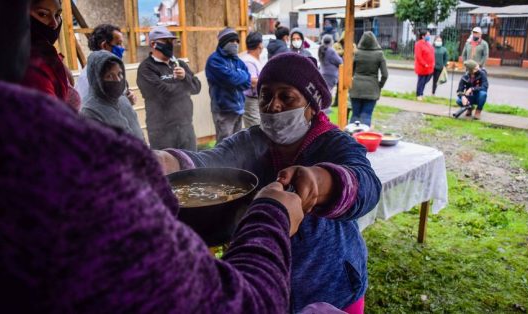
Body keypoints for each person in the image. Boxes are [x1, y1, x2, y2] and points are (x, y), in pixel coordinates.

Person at [0, 3, 316, 312]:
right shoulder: (67, 168)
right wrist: (270, 215)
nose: (274, 107)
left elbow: (192, 88)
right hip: (165, 129)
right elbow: (245, 304)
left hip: (180, 130)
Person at [156, 52, 382, 313]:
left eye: (287, 97)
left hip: (333, 286)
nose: (273, 106)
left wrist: (321, 182)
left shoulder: (334, 142)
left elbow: (366, 186)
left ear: (310, 105)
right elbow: (213, 162)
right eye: (265, 96)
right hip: (263, 284)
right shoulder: (251, 141)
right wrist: (169, 162)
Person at [137, 26, 201, 150]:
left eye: (171, 41)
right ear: (153, 44)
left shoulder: (179, 64)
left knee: (192, 166)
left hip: (185, 127)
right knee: (168, 169)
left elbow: (196, 87)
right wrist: (185, 85)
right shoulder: (146, 68)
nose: (170, 44)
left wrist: (185, 78)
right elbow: (162, 94)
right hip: (161, 131)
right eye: (166, 41)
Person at [21, 0, 80, 111]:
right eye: (42, 14)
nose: (54, 23)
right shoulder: (31, 65)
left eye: (57, 15)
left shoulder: (50, 56)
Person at [80, 51, 144, 141]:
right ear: (97, 79)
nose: (117, 80)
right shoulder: (89, 111)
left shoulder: (123, 99)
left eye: (119, 74)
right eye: (109, 76)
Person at [205, 27, 251, 143]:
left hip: (239, 108)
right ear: (224, 43)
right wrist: (241, 76)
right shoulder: (214, 61)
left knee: (236, 144)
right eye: (232, 41)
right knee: (224, 145)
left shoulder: (238, 61)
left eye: (237, 41)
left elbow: (248, 82)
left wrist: (238, 78)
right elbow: (231, 80)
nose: (235, 44)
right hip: (223, 110)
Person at [75, 24, 137, 105]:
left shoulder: (113, 70)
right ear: (104, 45)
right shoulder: (88, 78)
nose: (122, 48)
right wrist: (124, 103)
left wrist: (128, 97)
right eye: (118, 43)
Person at [349, 31, 388, 127]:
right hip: (372, 89)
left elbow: (350, 71)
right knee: (366, 115)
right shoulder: (379, 54)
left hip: (356, 88)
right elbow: (385, 74)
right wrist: (379, 85)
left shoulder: (357, 53)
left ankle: (350, 138)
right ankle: (363, 139)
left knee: (355, 115)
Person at [240, 31, 265, 128]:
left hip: (257, 100)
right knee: (255, 128)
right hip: (251, 100)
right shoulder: (248, 61)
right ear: (259, 45)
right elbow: (252, 82)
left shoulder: (256, 59)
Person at [414, 30, 435, 101]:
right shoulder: (418, 44)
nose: (429, 36)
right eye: (428, 35)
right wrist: (424, 63)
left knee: (425, 81)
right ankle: (418, 94)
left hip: (429, 67)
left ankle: (421, 93)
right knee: (421, 81)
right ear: (423, 36)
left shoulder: (428, 44)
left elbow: (431, 53)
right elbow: (418, 56)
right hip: (422, 67)